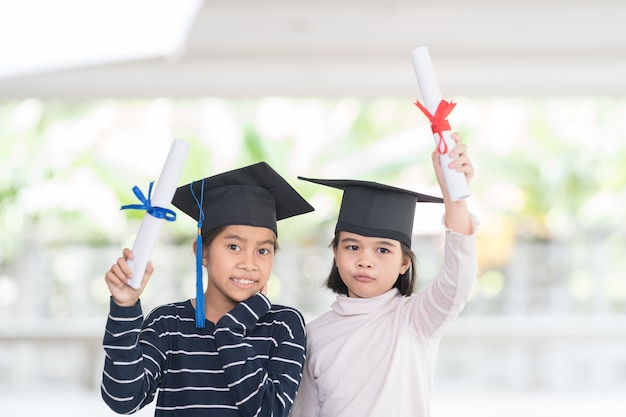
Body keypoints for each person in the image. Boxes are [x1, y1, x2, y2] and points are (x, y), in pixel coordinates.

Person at [101, 162, 314, 417]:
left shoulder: (284, 325)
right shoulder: (168, 323)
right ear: (201, 252)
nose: (249, 263)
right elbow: (123, 400)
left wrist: (231, 331)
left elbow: (268, 412)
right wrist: (124, 307)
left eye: (263, 250)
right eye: (234, 247)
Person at [290, 133, 478, 417]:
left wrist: (454, 198)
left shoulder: (416, 319)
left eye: (383, 250)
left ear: (405, 262)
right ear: (335, 252)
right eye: (352, 246)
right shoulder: (314, 335)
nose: (365, 261)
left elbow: (458, 279)